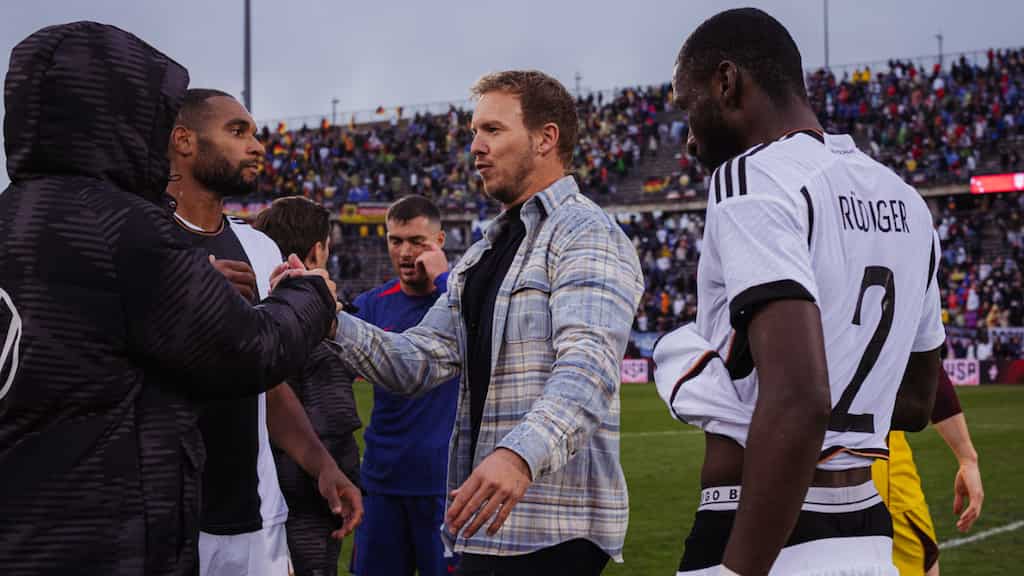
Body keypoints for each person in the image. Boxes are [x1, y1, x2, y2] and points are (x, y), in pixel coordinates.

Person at [0, 22, 350, 576]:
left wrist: (318, 459)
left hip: (33, 523)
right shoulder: (125, 229)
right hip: (113, 531)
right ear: (114, 113)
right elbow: (251, 351)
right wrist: (311, 293)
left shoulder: (14, 217)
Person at [654, 8, 943, 575]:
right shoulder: (908, 201)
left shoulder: (751, 177)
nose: (687, 140)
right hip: (867, 534)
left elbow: (801, 399)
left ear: (727, 82)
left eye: (688, 109)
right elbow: (915, 403)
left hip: (758, 527)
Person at [333, 70, 644, 575]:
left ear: (547, 138)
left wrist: (517, 456)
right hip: (482, 522)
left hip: (551, 528)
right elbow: (416, 361)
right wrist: (326, 320)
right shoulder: (483, 253)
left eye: (493, 130)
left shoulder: (587, 232)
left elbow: (588, 366)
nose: (475, 146)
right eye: (474, 131)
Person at [166, 88, 361, 576]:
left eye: (255, 133)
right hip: (167, 515)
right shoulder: (142, 239)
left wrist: (321, 464)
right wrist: (192, 300)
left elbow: (265, 378)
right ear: (184, 141)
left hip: (257, 515)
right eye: (237, 131)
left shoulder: (260, 248)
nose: (256, 145)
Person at [347, 195, 459, 576]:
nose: (406, 252)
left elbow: (478, 331)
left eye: (417, 241)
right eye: (396, 241)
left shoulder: (463, 299)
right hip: (382, 484)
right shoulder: (371, 305)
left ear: (439, 241)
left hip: (445, 488)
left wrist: (446, 279)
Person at [253, 197, 364, 576]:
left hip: (254, 485)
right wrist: (337, 471)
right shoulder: (316, 320)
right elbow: (330, 416)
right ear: (318, 250)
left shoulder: (248, 308)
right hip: (306, 490)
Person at [873, 369, 985, 576]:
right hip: (874, 455)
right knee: (922, 563)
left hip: (806, 451)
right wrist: (967, 458)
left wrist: (967, 458)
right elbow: (923, 361)